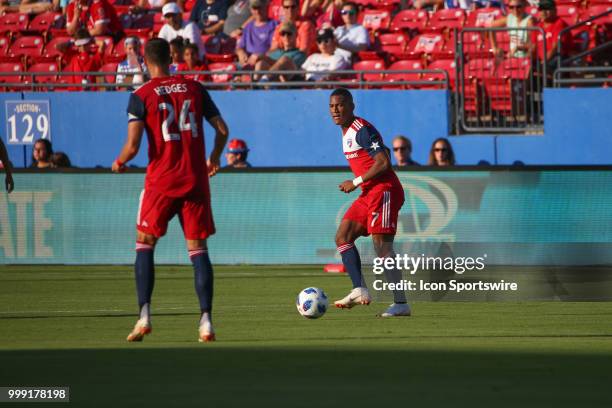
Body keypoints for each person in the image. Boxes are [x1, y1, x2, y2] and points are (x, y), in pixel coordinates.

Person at [112, 38, 230, 343]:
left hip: (161, 182)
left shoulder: (140, 95)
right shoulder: (194, 87)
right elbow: (222, 129)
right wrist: (215, 157)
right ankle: (206, 322)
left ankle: (144, 316)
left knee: (144, 243)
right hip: (195, 181)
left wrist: (119, 161)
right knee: (198, 249)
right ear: (172, 57)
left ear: (145, 61)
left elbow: (133, 146)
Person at [329, 88, 411, 317]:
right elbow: (382, 151)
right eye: (332, 106)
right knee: (343, 237)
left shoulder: (360, 129)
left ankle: (401, 303)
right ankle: (359, 289)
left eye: (340, 104)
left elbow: (384, 161)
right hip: (369, 192)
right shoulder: (346, 131)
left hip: (384, 190)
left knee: (382, 247)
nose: (335, 110)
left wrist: (355, 181)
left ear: (352, 106)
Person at [236, 0, 277, 69]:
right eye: (254, 8)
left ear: (266, 7)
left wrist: (260, 56)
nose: (257, 12)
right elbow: (240, 46)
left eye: (260, 7)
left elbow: (275, 49)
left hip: (265, 63)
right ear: (251, 9)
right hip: (248, 63)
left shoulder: (275, 25)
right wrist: (240, 52)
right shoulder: (248, 26)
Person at [536, 0, 570, 70]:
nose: (543, 12)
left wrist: (544, 61)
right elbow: (533, 46)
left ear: (555, 10)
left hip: (557, 57)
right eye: (541, 9)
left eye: (547, 9)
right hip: (543, 60)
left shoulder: (559, 24)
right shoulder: (538, 26)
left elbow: (555, 47)